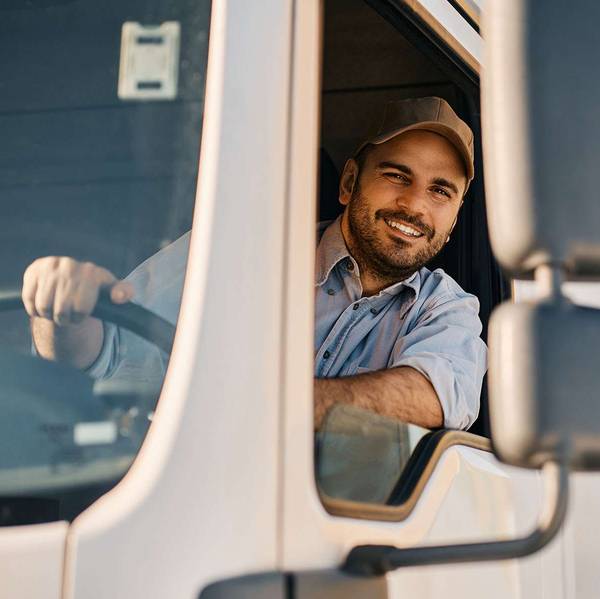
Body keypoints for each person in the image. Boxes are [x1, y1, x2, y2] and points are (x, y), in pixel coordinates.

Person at [23, 97, 486, 431]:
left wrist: (255, 407)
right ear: (349, 183)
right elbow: (106, 352)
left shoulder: (447, 309)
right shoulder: (237, 248)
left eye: (440, 191)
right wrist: (60, 311)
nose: (414, 206)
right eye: (395, 175)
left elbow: (435, 396)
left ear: (453, 221)